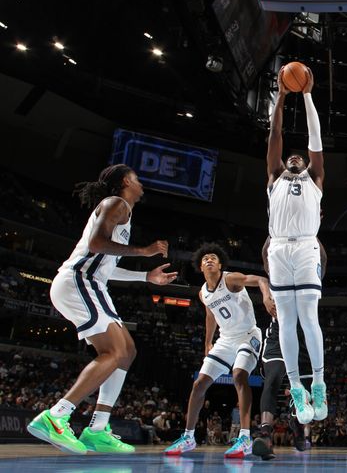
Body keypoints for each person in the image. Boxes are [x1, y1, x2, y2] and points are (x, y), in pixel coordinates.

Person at [26, 164, 177, 455]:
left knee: (128, 350)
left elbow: (107, 268)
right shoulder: (115, 204)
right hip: (79, 281)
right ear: (125, 182)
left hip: (94, 284)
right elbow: (96, 244)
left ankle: (97, 429)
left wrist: (146, 276)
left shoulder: (123, 212)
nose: (141, 184)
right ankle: (55, 417)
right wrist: (144, 251)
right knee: (113, 352)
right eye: (137, 179)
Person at [164, 243, 269, 459]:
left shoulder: (230, 279)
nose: (209, 260)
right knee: (199, 384)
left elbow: (261, 279)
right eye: (205, 259)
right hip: (226, 340)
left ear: (220, 264)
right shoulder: (203, 293)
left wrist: (266, 297)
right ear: (200, 267)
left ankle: (245, 437)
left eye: (213, 258)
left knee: (239, 375)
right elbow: (210, 316)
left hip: (248, 335)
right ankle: (188, 436)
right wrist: (207, 343)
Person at [265, 64, 327, 425]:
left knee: (309, 319)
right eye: (290, 156)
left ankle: (318, 382)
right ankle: (297, 389)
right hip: (277, 249)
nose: (294, 157)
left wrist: (305, 95)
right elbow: (274, 132)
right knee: (286, 322)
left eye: (299, 157)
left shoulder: (314, 177)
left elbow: (315, 140)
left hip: (306, 248)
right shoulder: (274, 176)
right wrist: (281, 97)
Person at [252, 236, 327, 460]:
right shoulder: (275, 273)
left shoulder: (310, 269)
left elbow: (320, 258)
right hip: (277, 338)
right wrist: (278, 231)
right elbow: (266, 259)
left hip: (304, 340)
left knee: (302, 391)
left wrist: (311, 230)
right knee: (273, 378)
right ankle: (265, 433)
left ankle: (297, 428)